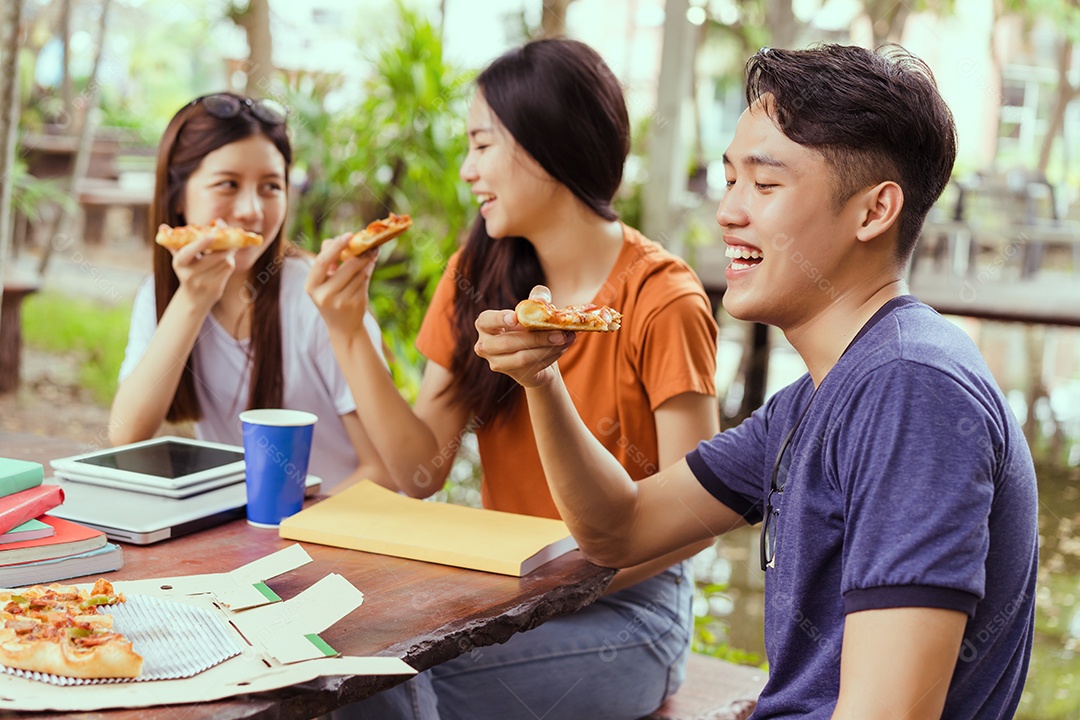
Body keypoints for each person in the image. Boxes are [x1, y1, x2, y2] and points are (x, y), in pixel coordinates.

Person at [476, 44, 1039, 719]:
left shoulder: (910, 388)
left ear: (873, 212)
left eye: (765, 185)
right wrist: (542, 379)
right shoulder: (812, 401)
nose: (728, 211)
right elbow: (619, 530)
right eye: (730, 179)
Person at [305, 39, 720, 720]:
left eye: (481, 144)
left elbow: (700, 517)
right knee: (339, 657)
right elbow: (417, 473)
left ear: (545, 143)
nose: (467, 170)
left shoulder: (660, 298)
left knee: (381, 682)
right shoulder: (480, 278)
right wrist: (348, 329)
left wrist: (556, 582)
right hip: (504, 592)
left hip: (629, 615)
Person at [111, 92, 388, 492]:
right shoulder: (159, 296)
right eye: (228, 184)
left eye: (271, 187)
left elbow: (384, 471)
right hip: (246, 529)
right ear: (178, 196)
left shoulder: (317, 297)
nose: (251, 211)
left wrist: (290, 528)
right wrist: (191, 301)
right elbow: (125, 437)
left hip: (334, 528)